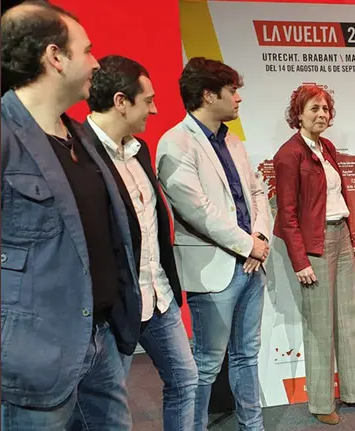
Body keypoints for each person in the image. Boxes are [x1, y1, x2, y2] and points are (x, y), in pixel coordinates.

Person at [1, 2, 141, 429]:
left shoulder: (81, 135)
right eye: (88, 50)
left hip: (100, 342)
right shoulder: (5, 139)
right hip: (36, 360)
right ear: (55, 57)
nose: (96, 62)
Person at [155, 57, 272, 431]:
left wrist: (262, 238)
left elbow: (256, 192)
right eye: (232, 90)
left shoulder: (233, 140)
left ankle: (252, 426)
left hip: (251, 264)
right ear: (208, 94)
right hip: (214, 270)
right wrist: (247, 246)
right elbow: (197, 211)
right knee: (205, 363)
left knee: (247, 356)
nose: (238, 99)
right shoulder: (175, 143)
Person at [84, 55, 199, 430]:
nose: (156, 108)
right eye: (147, 100)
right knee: (109, 409)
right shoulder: (78, 152)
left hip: (158, 295)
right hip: (114, 308)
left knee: (185, 380)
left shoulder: (141, 150)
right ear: (121, 101)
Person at [273, 84, 355, 426]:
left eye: (325, 109)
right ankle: (320, 402)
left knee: (348, 318)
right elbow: (287, 213)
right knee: (320, 326)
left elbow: (340, 198)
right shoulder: (288, 155)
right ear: (299, 115)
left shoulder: (327, 147)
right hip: (313, 244)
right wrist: (300, 260)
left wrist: (351, 237)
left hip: (339, 235)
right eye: (314, 109)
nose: (321, 115)